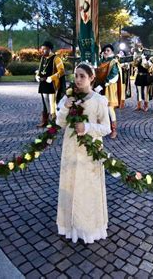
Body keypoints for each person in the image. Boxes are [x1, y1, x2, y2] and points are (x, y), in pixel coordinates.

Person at [56, 62, 111, 244]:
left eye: (82, 76)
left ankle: (88, 227)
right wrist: (65, 107)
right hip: (71, 147)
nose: (78, 79)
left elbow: (106, 128)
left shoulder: (99, 100)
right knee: (71, 183)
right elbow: (60, 123)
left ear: (91, 78)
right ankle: (69, 225)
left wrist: (87, 127)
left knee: (88, 185)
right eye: (76, 75)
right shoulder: (69, 97)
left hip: (91, 150)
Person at [35, 41, 66, 127]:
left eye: (44, 49)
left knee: (52, 102)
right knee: (46, 101)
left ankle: (54, 120)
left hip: (52, 84)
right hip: (43, 83)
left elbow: (62, 71)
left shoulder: (56, 58)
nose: (42, 50)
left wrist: (51, 78)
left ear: (49, 49)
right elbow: (40, 69)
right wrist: (37, 76)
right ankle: (48, 119)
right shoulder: (43, 58)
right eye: (42, 49)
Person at [97, 44, 124, 138]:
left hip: (109, 87)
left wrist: (105, 83)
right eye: (104, 50)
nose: (105, 52)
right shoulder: (101, 61)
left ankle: (114, 130)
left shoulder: (113, 62)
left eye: (108, 50)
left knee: (109, 108)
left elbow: (114, 75)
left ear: (112, 52)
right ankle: (105, 128)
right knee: (102, 108)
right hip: (101, 86)